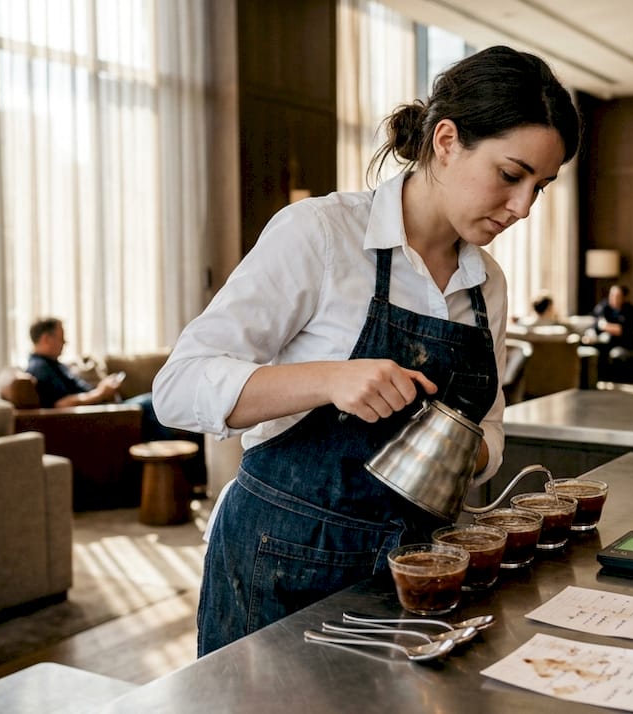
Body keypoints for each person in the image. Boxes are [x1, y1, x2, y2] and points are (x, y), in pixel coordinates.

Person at [152, 45, 580, 655]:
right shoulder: (322, 234)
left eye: (540, 187)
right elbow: (178, 387)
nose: (522, 208)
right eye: (511, 175)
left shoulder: (487, 282)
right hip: (281, 561)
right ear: (447, 141)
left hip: (418, 575)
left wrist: (462, 454)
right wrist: (330, 380)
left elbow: (488, 427)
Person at [25, 317, 180, 442]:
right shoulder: (41, 368)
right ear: (46, 339)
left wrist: (103, 389)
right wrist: (100, 393)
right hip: (96, 417)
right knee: (150, 402)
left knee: (151, 402)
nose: (65, 342)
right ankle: (175, 461)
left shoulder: (52, 364)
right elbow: (61, 403)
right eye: (61, 337)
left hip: (100, 411)